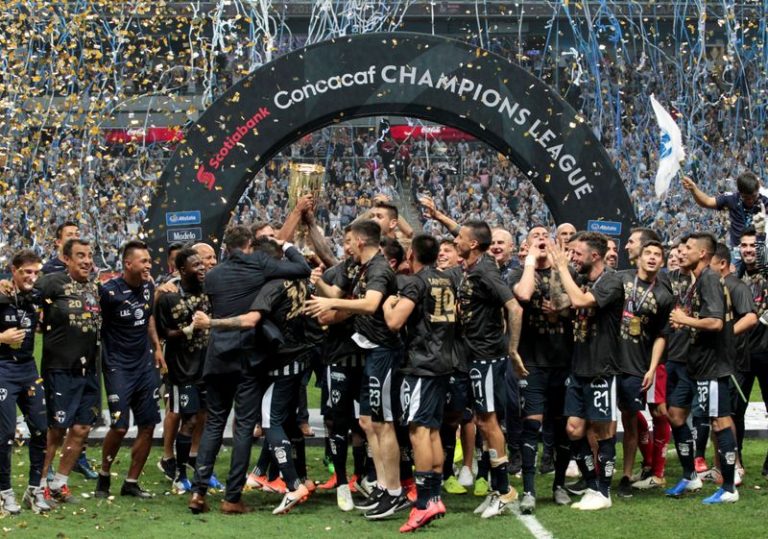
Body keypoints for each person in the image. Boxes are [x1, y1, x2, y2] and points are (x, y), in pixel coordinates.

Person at [187, 225, 311, 514]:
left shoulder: (214, 274)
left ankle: (198, 492)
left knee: (214, 422)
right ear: (248, 246)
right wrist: (285, 244)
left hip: (217, 354)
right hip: (247, 356)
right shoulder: (260, 265)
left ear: (227, 248)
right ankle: (232, 498)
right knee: (243, 425)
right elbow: (301, 268)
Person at [419, 198, 524, 519]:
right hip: (471, 356)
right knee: (480, 419)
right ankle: (498, 487)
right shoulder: (474, 263)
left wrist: (512, 349)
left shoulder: (487, 272)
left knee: (488, 421)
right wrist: (438, 216)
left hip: (486, 357)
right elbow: (461, 232)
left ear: (473, 245)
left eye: (460, 239)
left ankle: (504, 489)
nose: (455, 241)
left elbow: (515, 307)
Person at [305, 220, 408, 520]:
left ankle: (394, 492)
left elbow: (371, 304)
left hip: (384, 353)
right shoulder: (359, 267)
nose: (345, 245)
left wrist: (332, 302)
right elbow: (338, 290)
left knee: (383, 422)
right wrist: (322, 289)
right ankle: (383, 486)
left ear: (361, 241)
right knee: (368, 421)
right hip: (370, 353)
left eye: (348, 240)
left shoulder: (378, 269)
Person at [382, 234, 455, 531]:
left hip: (421, 364)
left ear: (411, 253)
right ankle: (435, 496)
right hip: (442, 361)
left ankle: (423, 502)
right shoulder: (447, 280)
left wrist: (388, 303)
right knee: (433, 429)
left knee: (418, 431)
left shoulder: (416, 281)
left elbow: (394, 322)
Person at [549, 232, 624, 511]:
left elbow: (580, 302)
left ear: (595, 256)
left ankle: (604, 492)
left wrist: (561, 269)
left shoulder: (612, 281)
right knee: (573, 429)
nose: (573, 258)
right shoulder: (581, 280)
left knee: (603, 432)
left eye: (578, 254)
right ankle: (591, 484)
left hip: (601, 368)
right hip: (578, 367)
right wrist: (560, 273)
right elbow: (558, 304)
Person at [665, 233, 739, 504]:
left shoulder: (708, 278)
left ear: (704, 254)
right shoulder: (697, 280)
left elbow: (715, 322)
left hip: (712, 365)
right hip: (694, 364)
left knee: (719, 422)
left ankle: (729, 487)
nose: (683, 251)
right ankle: (690, 475)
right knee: (675, 414)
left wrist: (686, 320)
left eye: (689, 248)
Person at [509, 225, 574, 513]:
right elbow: (523, 295)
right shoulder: (518, 272)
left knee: (561, 428)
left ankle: (559, 485)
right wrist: (530, 262)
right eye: (534, 237)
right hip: (531, 361)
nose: (541, 239)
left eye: (544, 236)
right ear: (527, 244)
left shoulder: (566, 270)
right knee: (531, 425)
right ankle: (530, 491)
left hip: (563, 361)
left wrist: (558, 306)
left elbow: (572, 302)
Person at [96, 240, 164, 499]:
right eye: (144, 261)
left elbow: (148, 317)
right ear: (128, 264)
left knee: (148, 425)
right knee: (120, 426)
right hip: (117, 366)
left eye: (149, 260)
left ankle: (131, 482)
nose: (149, 265)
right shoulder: (109, 292)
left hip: (144, 365)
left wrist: (157, 347)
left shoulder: (148, 286)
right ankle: (104, 475)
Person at [36, 239, 102, 505]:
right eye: (80, 256)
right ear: (66, 259)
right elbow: (23, 293)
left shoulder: (94, 288)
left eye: (89, 256)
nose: (86, 261)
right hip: (60, 368)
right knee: (56, 429)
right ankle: (38, 485)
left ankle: (59, 483)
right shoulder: (51, 282)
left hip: (88, 370)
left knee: (82, 427)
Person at [613, 240, 674, 498]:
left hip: (636, 363)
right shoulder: (620, 279)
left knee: (629, 418)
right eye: (647, 253)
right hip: (608, 360)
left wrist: (651, 367)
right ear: (638, 257)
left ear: (662, 261)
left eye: (657, 255)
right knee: (597, 421)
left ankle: (626, 475)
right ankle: (593, 473)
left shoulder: (663, 294)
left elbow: (662, 334)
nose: (651, 258)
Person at [154, 248, 211, 493]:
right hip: (182, 369)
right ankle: (179, 473)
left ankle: (202, 469)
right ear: (181, 270)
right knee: (187, 420)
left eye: (202, 264)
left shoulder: (211, 292)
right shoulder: (169, 296)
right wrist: (189, 330)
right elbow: (164, 332)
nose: (201, 268)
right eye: (195, 265)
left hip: (207, 367)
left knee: (206, 417)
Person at [0, 250, 48, 515]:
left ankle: (34, 490)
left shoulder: (36, 296)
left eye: (35, 272)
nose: (31, 276)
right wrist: (1, 338)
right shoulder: (0, 294)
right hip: (3, 369)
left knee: (41, 428)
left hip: (29, 368)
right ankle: (4, 493)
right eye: (26, 272)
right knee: (5, 434)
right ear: (13, 271)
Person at [710, 242, 756, 483]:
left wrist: (725, 336)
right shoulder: (714, 285)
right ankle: (719, 465)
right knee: (715, 414)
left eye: (709, 264)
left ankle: (735, 464)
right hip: (716, 362)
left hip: (734, 362)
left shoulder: (736, 286)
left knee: (728, 414)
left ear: (722, 264)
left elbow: (750, 317)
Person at [736, 228, 768, 477]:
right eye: (744, 245)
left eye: (753, 245)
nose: (748, 249)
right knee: (736, 410)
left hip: (767, 353)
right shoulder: (735, 277)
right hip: (741, 354)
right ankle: (736, 462)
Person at [681, 171, 768, 248]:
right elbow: (707, 202)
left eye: (753, 196)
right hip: (737, 250)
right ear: (740, 192)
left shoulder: (765, 202)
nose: (751, 201)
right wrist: (693, 189)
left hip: (758, 247)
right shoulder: (731, 199)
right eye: (746, 198)